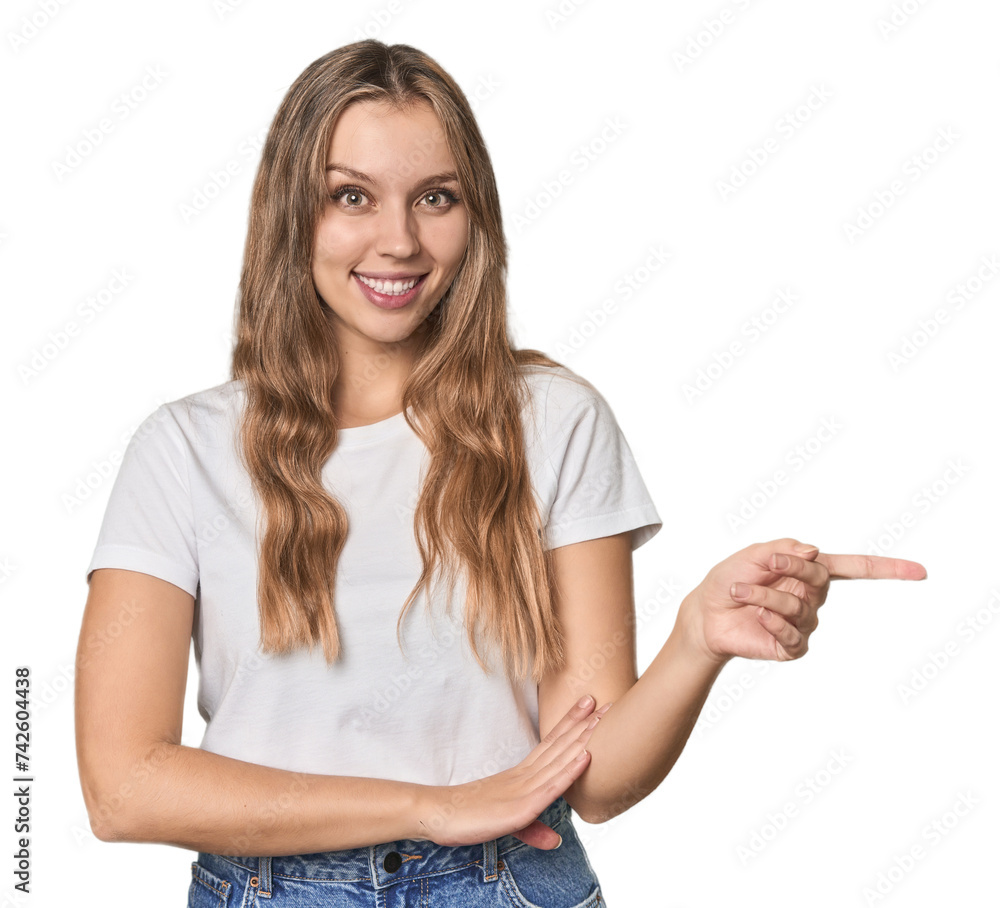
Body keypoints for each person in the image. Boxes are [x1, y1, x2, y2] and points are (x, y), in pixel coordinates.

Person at [74, 40, 927, 907]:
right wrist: (431, 807)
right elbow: (123, 786)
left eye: (435, 198)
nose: (399, 240)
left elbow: (596, 780)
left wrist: (695, 642)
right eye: (351, 196)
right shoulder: (184, 450)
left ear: (473, 213)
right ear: (292, 215)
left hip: (507, 884)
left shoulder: (554, 421)